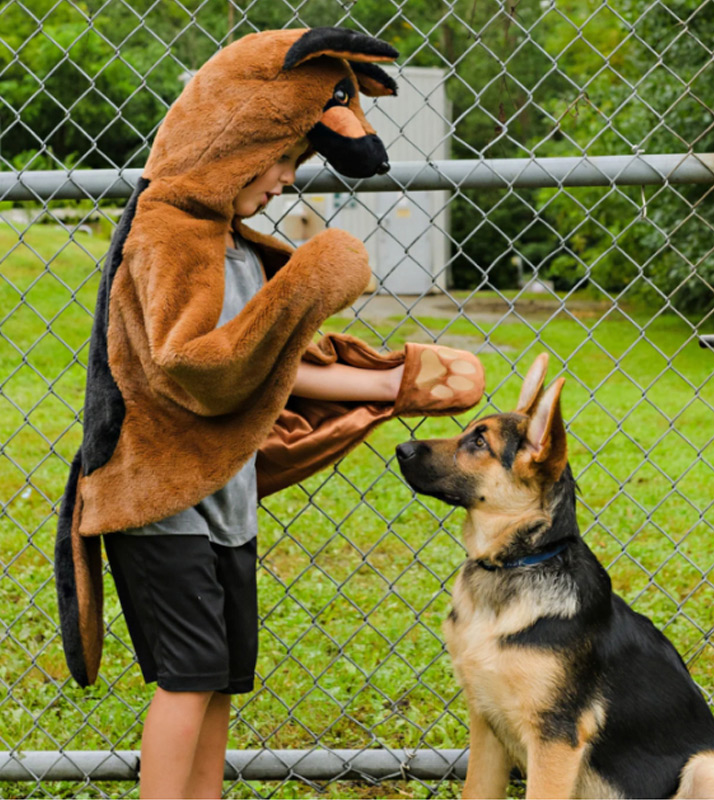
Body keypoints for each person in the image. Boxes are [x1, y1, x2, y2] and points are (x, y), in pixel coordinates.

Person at [54, 27, 484, 799]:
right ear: (232, 142)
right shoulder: (168, 234)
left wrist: (398, 384)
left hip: (226, 497)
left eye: (296, 163)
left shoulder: (239, 246)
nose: (287, 181)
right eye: (281, 160)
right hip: (161, 496)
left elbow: (275, 369)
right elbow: (198, 369)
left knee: (220, 678)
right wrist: (316, 279)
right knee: (187, 679)